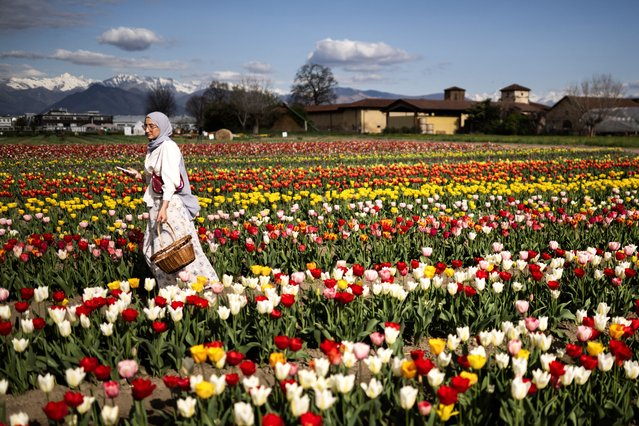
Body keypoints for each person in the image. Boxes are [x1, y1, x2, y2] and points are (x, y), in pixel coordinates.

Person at [120, 111, 218, 288]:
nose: (147, 130)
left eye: (152, 126)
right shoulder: (155, 147)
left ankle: (201, 285)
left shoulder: (168, 147)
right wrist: (139, 176)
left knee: (177, 251)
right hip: (157, 204)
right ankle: (171, 290)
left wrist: (164, 208)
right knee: (155, 251)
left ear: (162, 127)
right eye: (145, 125)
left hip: (169, 205)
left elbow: (171, 181)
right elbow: (157, 179)